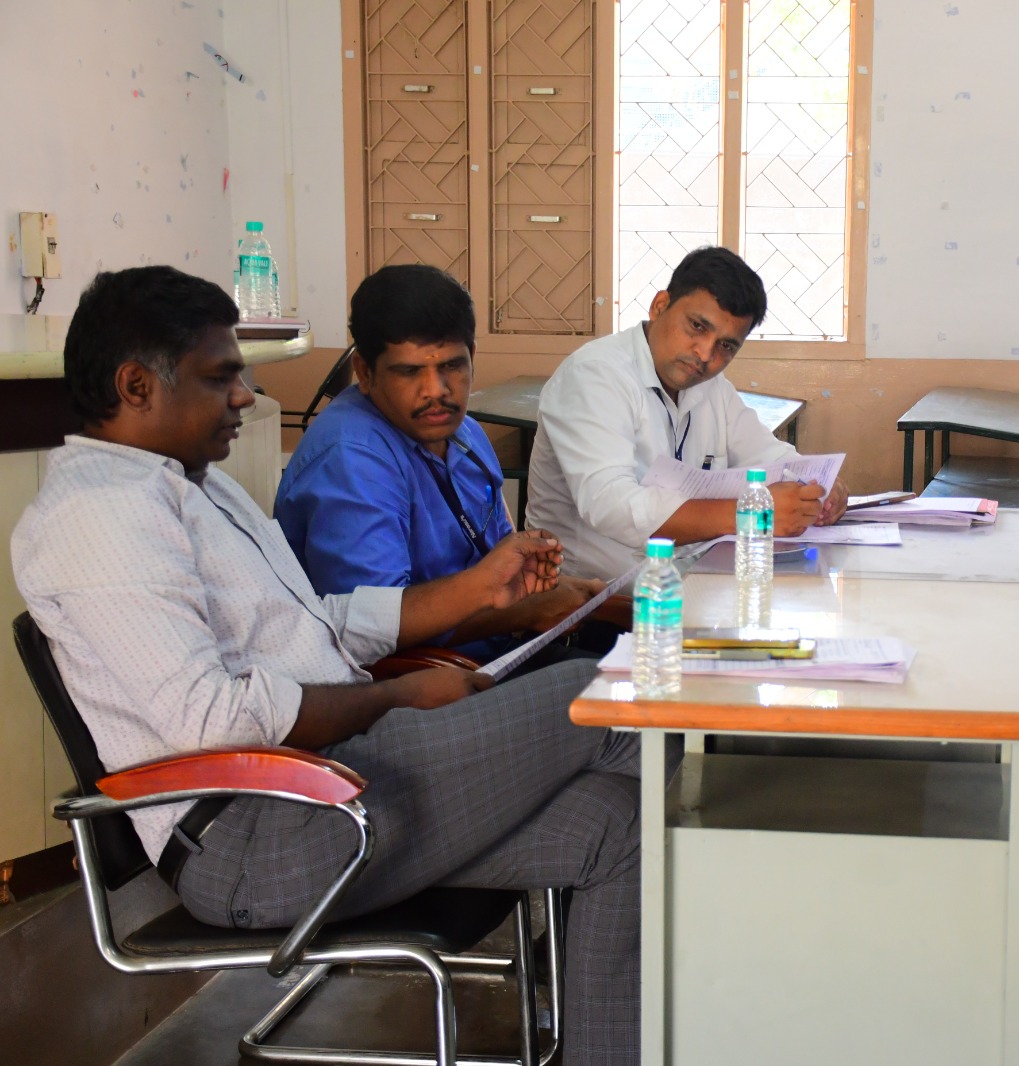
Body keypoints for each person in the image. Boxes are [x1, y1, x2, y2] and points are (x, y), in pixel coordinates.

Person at [12, 266, 641, 1065]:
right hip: (262, 835)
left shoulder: (192, 488)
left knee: (617, 825)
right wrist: (399, 696)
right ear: (136, 385)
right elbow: (212, 719)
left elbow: (318, 624)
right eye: (220, 376)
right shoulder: (100, 517)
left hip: (332, 789)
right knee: (608, 697)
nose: (245, 397)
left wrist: (479, 594)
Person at [275, 263, 615, 665]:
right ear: (365, 373)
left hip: (500, 648)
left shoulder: (464, 432)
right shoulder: (351, 459)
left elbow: (497, 557)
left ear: (472, 357)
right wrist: (524, 612)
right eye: (410, 371)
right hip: (421, 681)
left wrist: (550, 593)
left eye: (452, 366)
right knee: (612, 687)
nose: (436, 391)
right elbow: (371, 636)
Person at [526, 245, 848, 581]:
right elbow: (610, 505)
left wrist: (821, 486)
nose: (705, 354)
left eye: (726, 345)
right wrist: (748, 516)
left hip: (690, 582)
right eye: (697, 326)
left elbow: (769, 456)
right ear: (659, 306)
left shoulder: (711, 387)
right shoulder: (595, 374)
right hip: (594, 597)